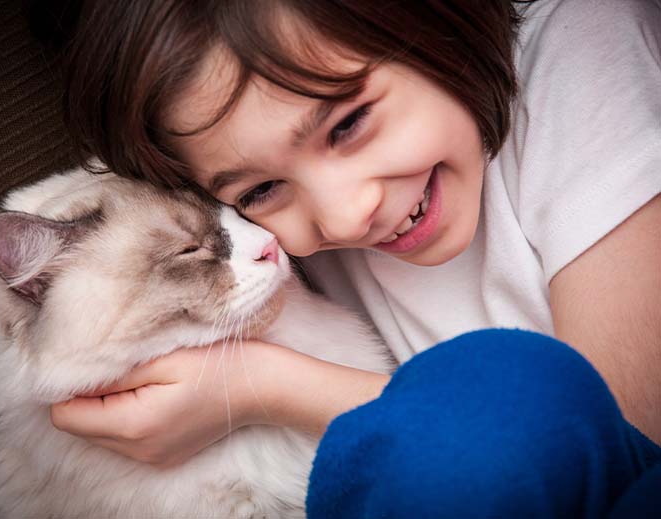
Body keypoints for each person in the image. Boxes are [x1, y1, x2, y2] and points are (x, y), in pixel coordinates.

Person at [48, 0, 661, 516]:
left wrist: (269, 387)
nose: (345, 217)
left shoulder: (581, 50)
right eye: (259, 190)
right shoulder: (280, 254)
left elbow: (606, 442)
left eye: (348, 125)